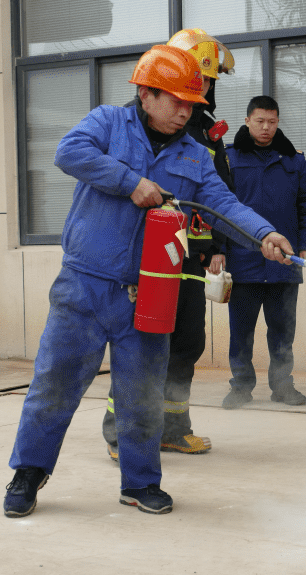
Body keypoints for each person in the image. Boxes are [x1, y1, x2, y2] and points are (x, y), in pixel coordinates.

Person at [3, 44, 294, 518]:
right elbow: (68, 152)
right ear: (145, 94)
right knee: (55, 384)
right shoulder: (107, 123)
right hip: (85, 285)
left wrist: (264, 234)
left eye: (191, 104)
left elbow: (224, 204)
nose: (184, 112)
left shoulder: (195, 155)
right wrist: (130, 182)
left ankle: (140, 482)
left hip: (150, 291)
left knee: (142, 394)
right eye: (176, 101)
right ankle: (28, 474)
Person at [102, 29, 235, 460]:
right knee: (140, 345)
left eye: (208, 80)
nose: (203, 88)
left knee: (187, 342)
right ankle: (121, 433)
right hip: (148, 258)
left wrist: (219, 245)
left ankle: (174, 428)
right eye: (198, 77)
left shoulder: (207, 133)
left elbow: (221, 195)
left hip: (192, 257)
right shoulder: (136, 125)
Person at [221, 96, 306, 409]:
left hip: (284, 262)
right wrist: (218, 251)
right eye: (260, 121)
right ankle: (240, 386)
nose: (266, 127)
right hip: (243, 262)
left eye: (272, 122)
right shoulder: (228, 159)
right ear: (247, 120)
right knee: (241, 331)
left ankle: (282, 385)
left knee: (282, 331)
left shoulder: (294, 160)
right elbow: (218, 211)